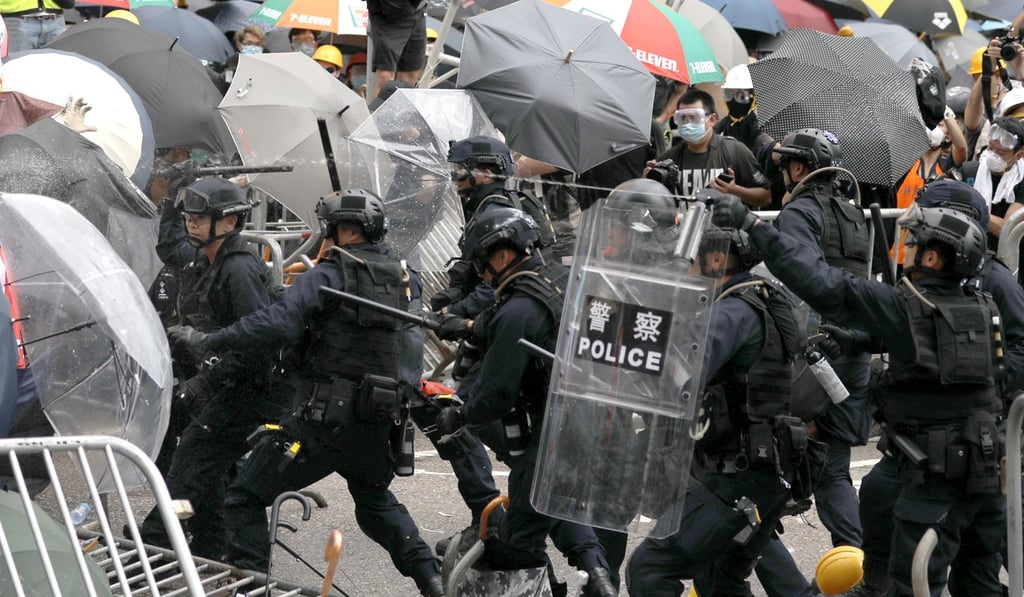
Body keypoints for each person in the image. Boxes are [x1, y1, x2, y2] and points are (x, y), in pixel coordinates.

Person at [713, 193, 1006, 597]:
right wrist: (859, 340)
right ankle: (872, 584)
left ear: (935, 259)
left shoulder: (905, 307)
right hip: (986, 474)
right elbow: (935, 347)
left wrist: (752, 225)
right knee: (978, 584)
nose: (908, 251)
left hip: (934, 479)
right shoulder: (982, 306)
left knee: (916, 587)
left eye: (916, 245)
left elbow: (819, 282)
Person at [169, 189, 444, 596]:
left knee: (244, 496)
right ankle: (431, 578)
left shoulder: (327, 275)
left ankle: (251, 588)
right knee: (375, 503)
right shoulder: (405, 276)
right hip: (380, 417)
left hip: (322, 422)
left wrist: (209, 340)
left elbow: (278, 326)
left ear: (341, 230)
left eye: (330, 228)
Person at [847, 179, 1024, 596]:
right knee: (877, 494)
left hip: (977, 428)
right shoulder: (917, 282)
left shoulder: (996, 283)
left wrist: (980, 376)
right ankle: (876, 581)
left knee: (992, 540)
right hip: (921, 431)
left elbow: (1018, 349)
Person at [626, 214, 818, 597]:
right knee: (720, 583)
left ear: (716, 260)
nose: (689, 266)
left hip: (736, 478)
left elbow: (681, 372)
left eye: (695, 257)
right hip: (760, 469)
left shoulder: (731, 312)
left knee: (649, 569)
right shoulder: (758, 298)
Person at [433, 206, 617, 597]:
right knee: (550, 503)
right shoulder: (557, 277)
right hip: (596, 415)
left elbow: (496, 392)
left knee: (517, 537)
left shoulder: (517, 309)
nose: (481, 274)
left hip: (558, 430)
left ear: (501, 256)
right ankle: (597, 575)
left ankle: (586, 583)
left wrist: (460, 415)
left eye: (482, 264)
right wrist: (468, 325)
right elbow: (521, 318)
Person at [139, 177, 290, 560]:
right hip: (229, 382)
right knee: (206, 470)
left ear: (227, 222)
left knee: (192, 460)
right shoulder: (205, 258)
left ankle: (158, 540)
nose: (191, 223)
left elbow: (259, 344)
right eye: (188, 216)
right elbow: (170, 245)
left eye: (199, 217)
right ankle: (210, 548)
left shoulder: (237, 269)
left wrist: (204, 381)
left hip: (254, 389)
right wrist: (172, 199)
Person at [768, 128, 871, 552]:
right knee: (834, 466)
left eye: (786, 168)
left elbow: (796, 287)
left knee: (791, 464)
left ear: (798, 168)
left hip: (814, 353)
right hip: (854, 348)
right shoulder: (854, 214)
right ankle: (865, 564)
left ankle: (855, 560)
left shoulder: (799, 214)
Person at [654, 88, 771, 207]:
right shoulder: (669, 159)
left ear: (712, 119)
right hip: (685, 225)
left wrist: (735, 191)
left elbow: (766, 197)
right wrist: (649, 181)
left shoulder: (735, 151)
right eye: (682, 118)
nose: (688, 123)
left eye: (694, 117)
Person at [973, 116, 1024, 249]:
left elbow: (1008, 229)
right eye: (991, 148)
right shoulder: (972, 171)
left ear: (1018, 155)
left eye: (1001, 153)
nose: (993, 155)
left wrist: (973, 210)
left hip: (1007, 258)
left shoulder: (1021, 181)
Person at [366, 0, 427, 100]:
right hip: (387, 14)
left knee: (411, 73)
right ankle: (377, 114)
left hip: (416, 10)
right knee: (385, 76)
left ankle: (401, 113)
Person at [713, 64, 773, 158]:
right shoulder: (718, 128)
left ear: (753, 98)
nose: (733, 100)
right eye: (729, 94)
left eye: (741, 96)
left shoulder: (761, 137)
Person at [0, 0, 72, 52]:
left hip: (56, 20)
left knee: (57, 68)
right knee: (16, 68)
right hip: (17, 20)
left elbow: (70, 4)